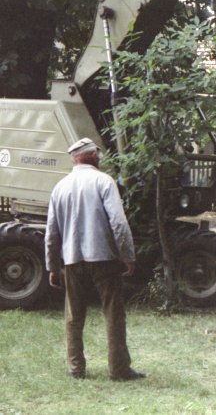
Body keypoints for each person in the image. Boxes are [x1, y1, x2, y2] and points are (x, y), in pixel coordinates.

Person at [45, 137, 145, 381]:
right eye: (97, 155)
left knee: (73, 316)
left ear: (73, 158)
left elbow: (51, 232)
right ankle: (118, 369)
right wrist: (127, 255)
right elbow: (118, 223)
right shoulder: (104, 181)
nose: (100, 158)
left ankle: (76, 368)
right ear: (90, 156)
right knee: (113, 313)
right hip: (104, 259)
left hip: (72, 260)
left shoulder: (60, 187)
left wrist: (52, 266)